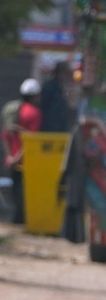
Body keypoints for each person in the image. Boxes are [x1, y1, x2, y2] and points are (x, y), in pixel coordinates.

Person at [3, 79, 43, 225]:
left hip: (12, 157)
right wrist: (18, 157)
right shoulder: (34, 113)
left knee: (15, 189)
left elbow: (5, 135)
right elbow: (30, 141)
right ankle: (21, 220)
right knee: (24, 192)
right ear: (34, 96)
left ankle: (15, 219)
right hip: (26, 160)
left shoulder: (12, 109)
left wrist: (10, 157)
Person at [40, 61, 74, 133]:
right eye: (66, 73)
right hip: (49, 130)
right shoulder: (49, 88)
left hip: (59, 130)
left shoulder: (61, 88)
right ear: (60, 73)